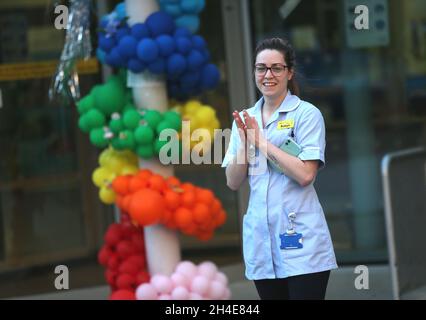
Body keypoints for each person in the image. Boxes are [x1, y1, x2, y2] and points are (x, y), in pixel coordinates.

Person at [222, 37, 338, 300]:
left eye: (276, 67)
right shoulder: (246, 120)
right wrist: (245, 141)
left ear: (289, 72)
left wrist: (261, 141)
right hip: (262, 244)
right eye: (261, 68)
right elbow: (232, 180)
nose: (268, 75)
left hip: (302, 243)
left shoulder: (306, 114)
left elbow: (306, 174)